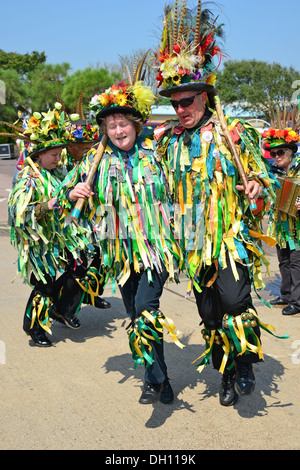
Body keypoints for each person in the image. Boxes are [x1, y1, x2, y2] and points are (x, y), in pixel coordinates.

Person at [153, 0, 281, 406]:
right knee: (209, 315)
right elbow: (155, 186)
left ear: (205, 98)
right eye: (174, 103)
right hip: (192, 239)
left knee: (235, 300)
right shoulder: (169, 141)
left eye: (187, 101)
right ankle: (226, 372)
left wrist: (257, 185)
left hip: (228, 235)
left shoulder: (234, 131)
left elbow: (262, 175)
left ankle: (244, 362)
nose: (180, 109)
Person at [56, 72, 184, 404]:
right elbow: (61, 196)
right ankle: (156, 377)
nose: (118, 131)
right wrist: (73, 191)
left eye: (123, 123)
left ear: (136, 123)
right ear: (105, 130)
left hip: (155, 248)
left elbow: (186, 182)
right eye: (111, 126)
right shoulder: (93, 160)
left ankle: (157, 380)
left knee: (146, 307)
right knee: (136, 315)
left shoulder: (157, 151)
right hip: (120, 254)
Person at [7, 104, 95, 346]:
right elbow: (21, 215)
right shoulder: (29, 177)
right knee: (44, 286)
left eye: (60, 154)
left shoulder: (59, 172)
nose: (59, 158)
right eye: (54, 155)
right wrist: (51, 203)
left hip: (62, 237)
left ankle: (61, 308)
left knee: (79, 266)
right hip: (39, 244)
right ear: (39, 155)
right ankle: (33, 328)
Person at [65, 115, 111, 310]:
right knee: (77, 265)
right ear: (70, 146)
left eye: (90, 145)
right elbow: (58, 193)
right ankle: (64, 307)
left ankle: (91, 293)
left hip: (94, 219)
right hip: (68, 224)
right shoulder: (59, 164)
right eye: (82, 147)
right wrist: (70, 193)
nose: (88, 150)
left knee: (105, 256)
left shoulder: (95, 158)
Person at [264, 125, 300, 315]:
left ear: (291, 152)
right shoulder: (273, 173)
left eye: (280, 152)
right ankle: (286, 295)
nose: (276, 156)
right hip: (280, 226)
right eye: (273, 153)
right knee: (283, 261)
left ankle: (297, 301)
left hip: (298, 227)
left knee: (296, 263)